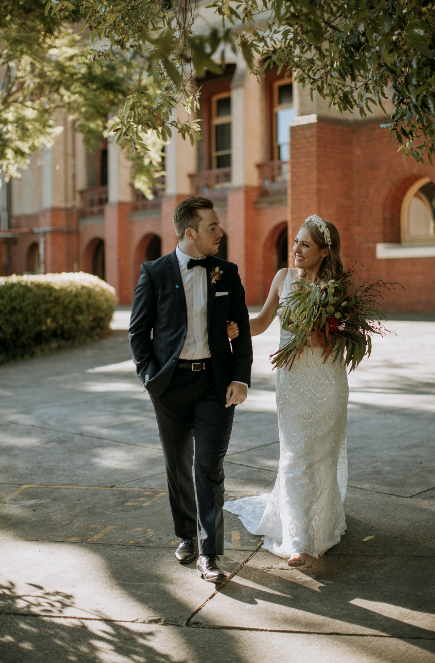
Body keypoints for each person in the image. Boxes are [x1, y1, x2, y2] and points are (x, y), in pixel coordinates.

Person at [129, 196, 253, 583]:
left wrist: (241, 377)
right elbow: (138, 331)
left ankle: (211, 553)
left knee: (209, 468)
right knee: (178, 466)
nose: (221, 232)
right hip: (170, 384)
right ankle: (186, 535)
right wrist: (149, 376)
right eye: (213, 226)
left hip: (215, 384)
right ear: (191, 232)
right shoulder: (154, 271)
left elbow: (242, 329)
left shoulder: (226, 272)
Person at [224, 214, 355, 568]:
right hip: (293, 381)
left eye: (305, 244)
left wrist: (320, 336)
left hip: (327, 381)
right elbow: (264, 320)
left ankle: (322, 524)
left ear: (325, 251)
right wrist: (234, 329)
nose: (296, 249)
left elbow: (348, 334)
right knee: (296, 455)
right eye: (295, 241)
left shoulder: (338, 287)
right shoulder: (283, 278)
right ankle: (297, 538)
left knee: (321, 454)